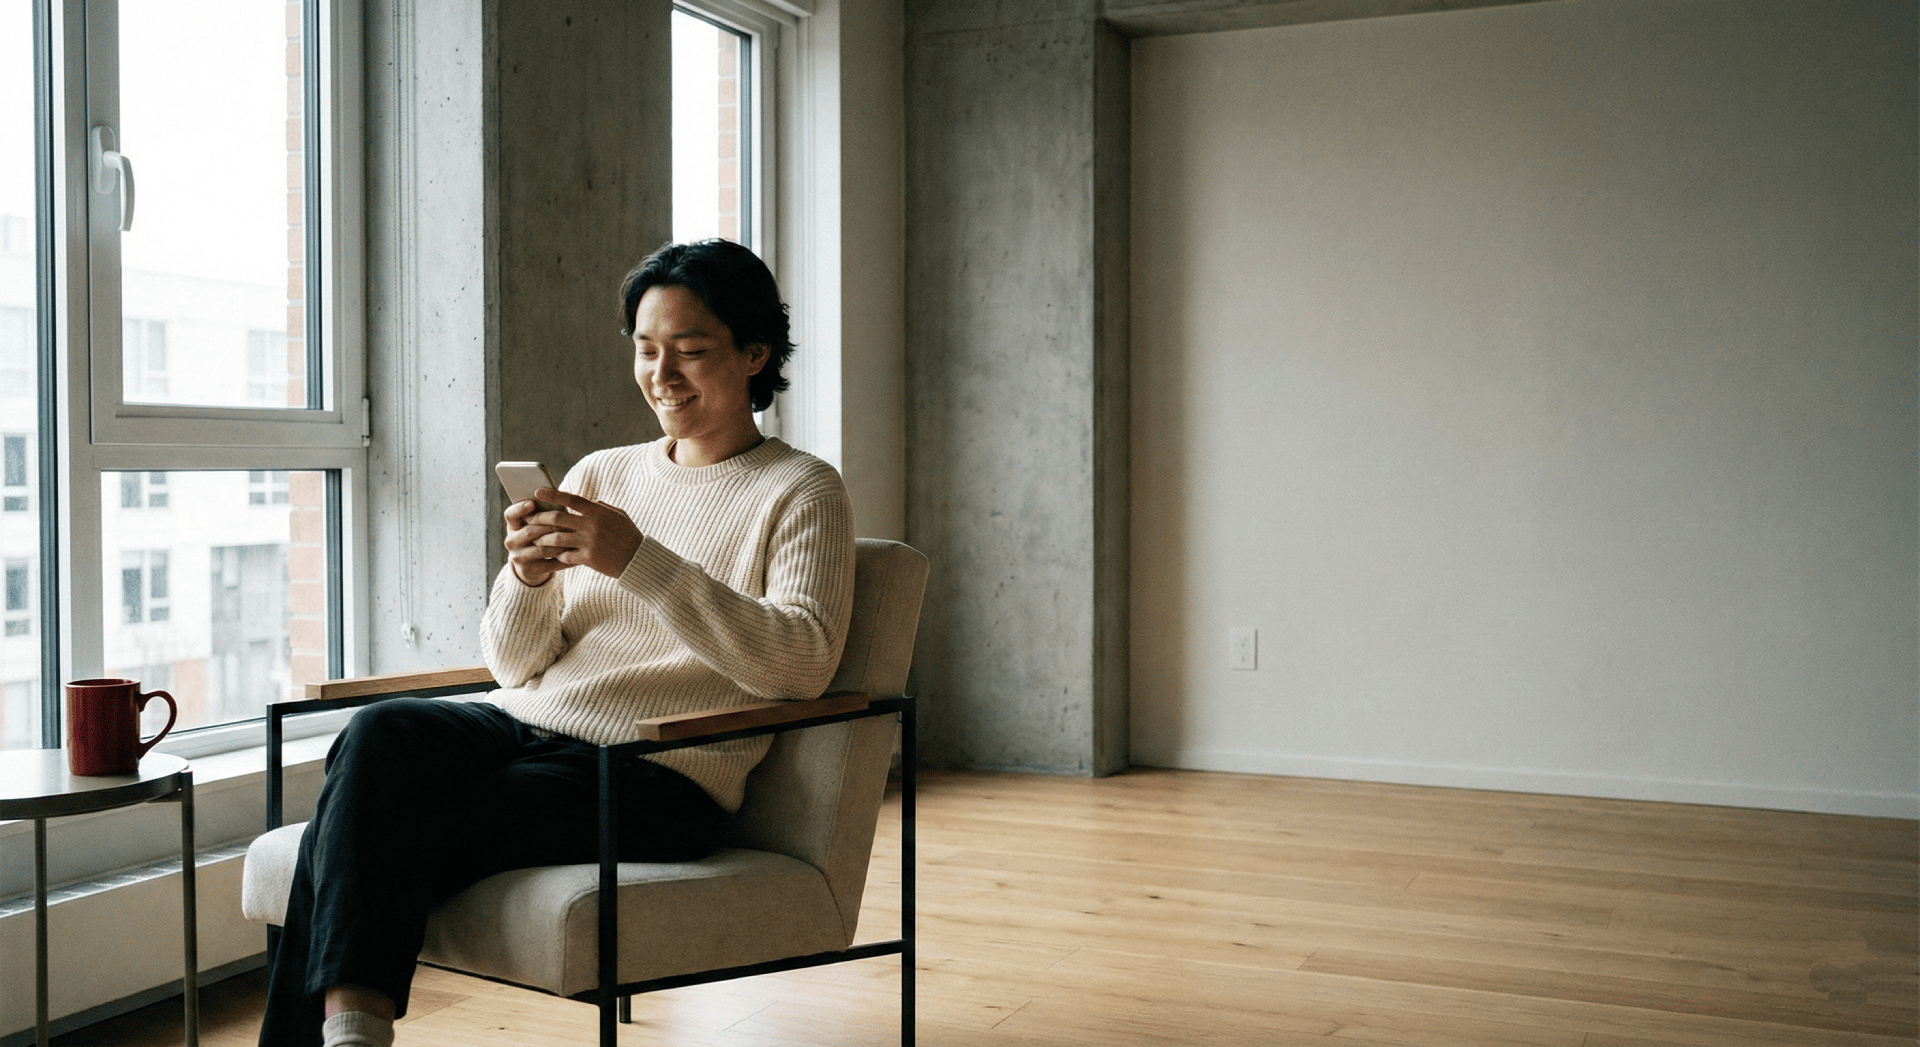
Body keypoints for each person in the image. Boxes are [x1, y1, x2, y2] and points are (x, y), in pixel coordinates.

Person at [258, 240, 855, 1047]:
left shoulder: (802, 488)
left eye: (691, 351)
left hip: (656, 770)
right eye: (646, 350)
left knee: (365, 824)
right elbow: (514, 664)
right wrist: (529, 579)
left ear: (755, 354)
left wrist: (637, 562)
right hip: (527, 723)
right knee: (380, 731)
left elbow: (803, 661)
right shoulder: (606, 472)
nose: (662, 374)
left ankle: (343, 1039)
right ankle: (352, 1038)